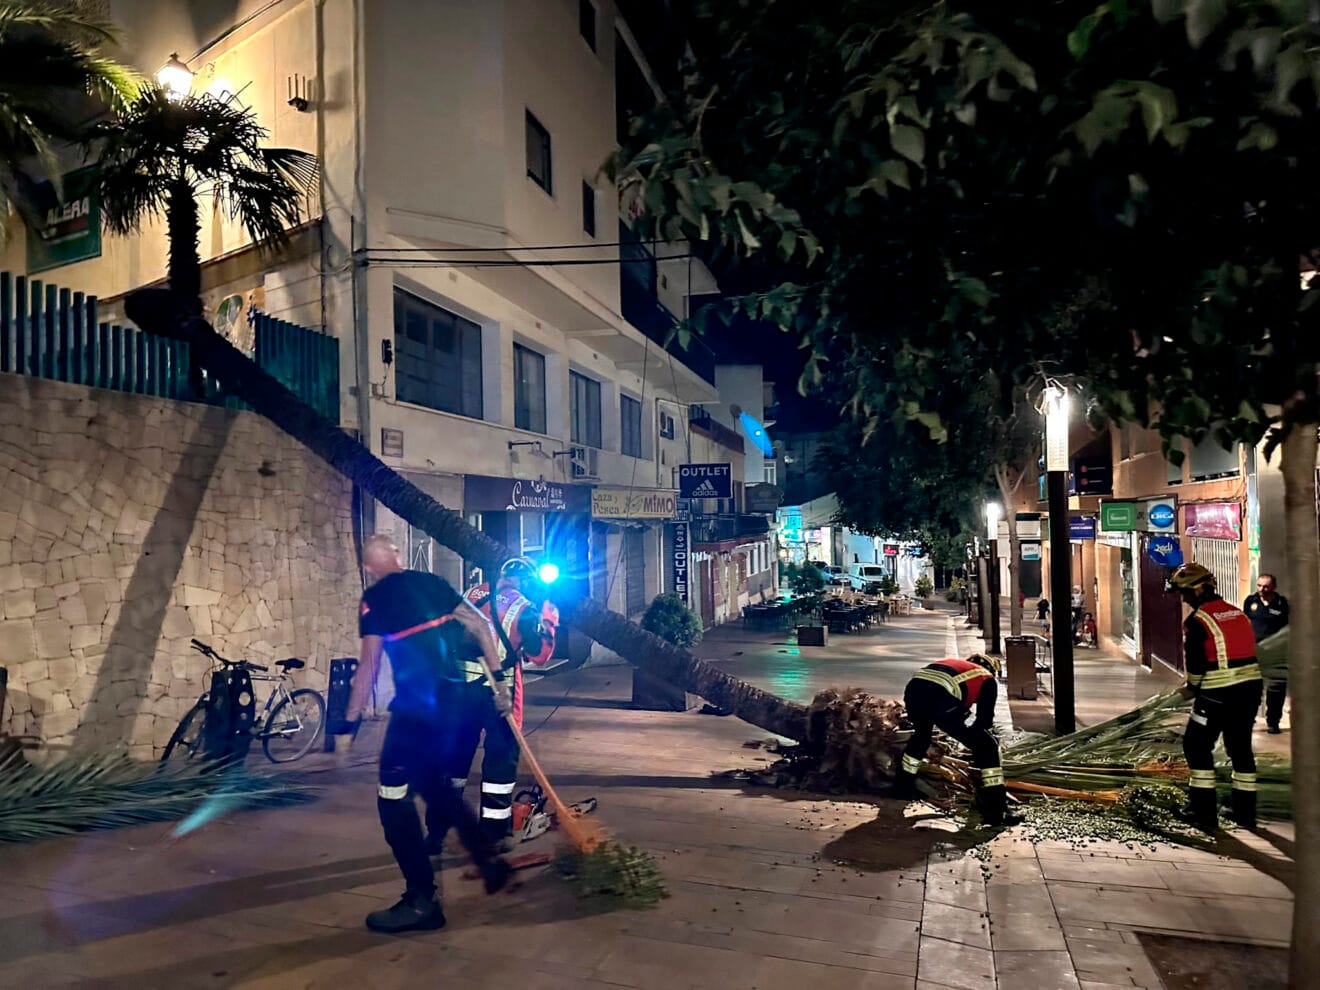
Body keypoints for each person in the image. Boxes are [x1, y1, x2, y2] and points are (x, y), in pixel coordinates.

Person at [341, 535, 511, 934]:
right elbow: (481, 624)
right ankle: (489, 862)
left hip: (416, 711)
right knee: (434, 786)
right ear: (398, 555)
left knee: (392, 799)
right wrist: (500, 682)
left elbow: (368, 666)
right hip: (454, 704)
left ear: (368, 567)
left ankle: (421, 901)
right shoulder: (432, 583)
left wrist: (348, 723)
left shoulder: (374, 599)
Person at [426, 556, 559, 852]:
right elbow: (539, 655)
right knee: (500, 764)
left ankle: (436, 833)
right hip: (498, 694)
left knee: (452, 762)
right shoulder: (524, 608)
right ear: (527, 582)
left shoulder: (472, 593)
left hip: (459, 691)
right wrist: (549, 619)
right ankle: (493, 834)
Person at [1169, 562, 1263, 831]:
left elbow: (1196, 663)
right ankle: (1244, 812)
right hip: (1250, 691)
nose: (1184, 599)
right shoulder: (1237, 613)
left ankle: (1203, 813)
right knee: (1240, 749)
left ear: (1198, 590)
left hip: (1217, 694)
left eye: (1185, 593)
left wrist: (1191, 687)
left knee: (1196, 747)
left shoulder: (1197, 621)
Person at [892, 655, 1021, 827]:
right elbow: (984, 722)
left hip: (914, 692)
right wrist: (979, 748)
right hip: (941, 696)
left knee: (922, 736)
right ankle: (996, 811)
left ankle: (902, 787)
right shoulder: (987, 679)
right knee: (988, 746)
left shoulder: (958, 667)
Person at [1242, 573, 1290, 734]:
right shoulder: (1251, 601)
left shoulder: (1282, 604)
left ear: (1274, 587)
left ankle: (1273, 722)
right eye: (1259, 585)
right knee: (1252, 688)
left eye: (1266, 586)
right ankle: (1249, 718)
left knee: (1276, 690)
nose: (1261, 589)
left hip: (1276, 654)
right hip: (1254, 651)